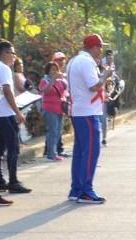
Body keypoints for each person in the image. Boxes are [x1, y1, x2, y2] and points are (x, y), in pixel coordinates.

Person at [67, 33, 112, 204]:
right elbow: (93, 86)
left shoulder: (74, 60)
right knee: (91, 151)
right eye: (100, 47)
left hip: (79, 111)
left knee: (80, 152)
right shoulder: (86, 62)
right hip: (87, 112)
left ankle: (76, 189)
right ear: (93, 47)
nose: (101, 51)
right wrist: (105, 76)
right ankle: (85, 190)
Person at [0, 39, 29, 195]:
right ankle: (13, 181)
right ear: (4, 53)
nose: (13, 56)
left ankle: (0, 181)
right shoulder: (3, 68)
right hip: (4, 113)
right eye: (11, 53)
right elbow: (7, 91)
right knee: (13, 146)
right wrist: (17, 112)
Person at [39, 60, 68, 162]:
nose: (54, 71)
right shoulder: (44, 80)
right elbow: (45, 90)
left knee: (58, 131)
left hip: (59, 109)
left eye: (56, 69)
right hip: (49, 109)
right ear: (48, 71)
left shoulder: (60, 81)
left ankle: (53, 151)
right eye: (52, 70)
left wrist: (63, 78)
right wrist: (53, 80)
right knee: (52, 131)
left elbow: (65, 90)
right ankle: (52, 154)